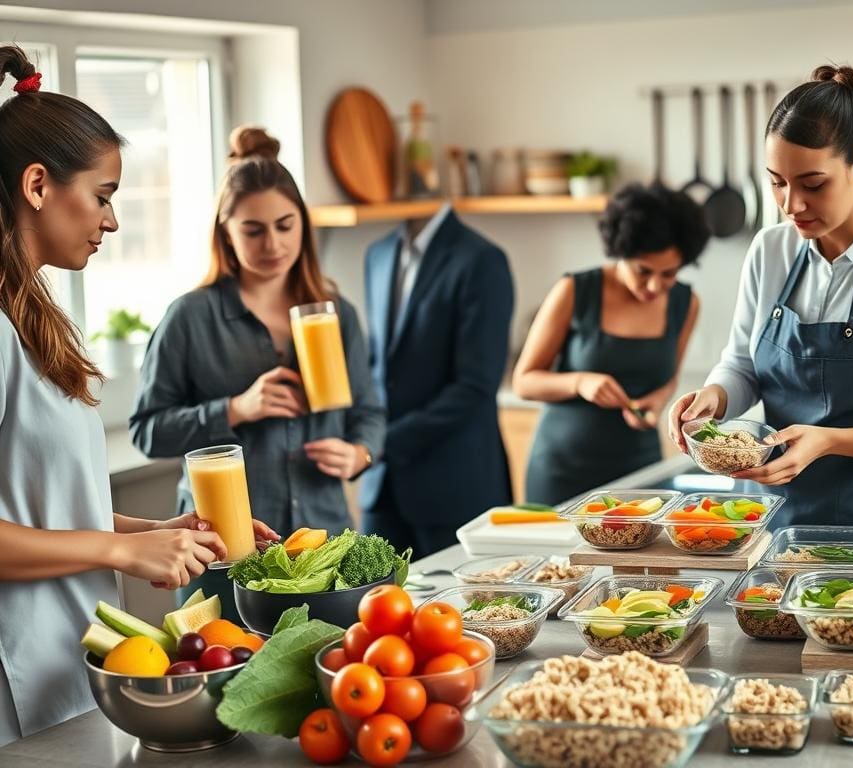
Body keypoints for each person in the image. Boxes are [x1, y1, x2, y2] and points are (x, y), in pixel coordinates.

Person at [0, 45, 244, 747]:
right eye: (103, 196)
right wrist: (118, 550)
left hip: (62, 661)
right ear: (38, 184)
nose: (110, 221)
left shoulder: (35, 312)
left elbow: (39, 500)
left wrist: (156, 533)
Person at [669, 65, 853, 581]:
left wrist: (830, 440)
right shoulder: (770, 250)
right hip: (772, 522)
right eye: (777, 182)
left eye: (813, 184)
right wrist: (715, 396)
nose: (791, 205)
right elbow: (742, 364)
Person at [130, 127, 385, 618]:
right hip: (224, 552)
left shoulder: (337, 313)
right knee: (225, 661)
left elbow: (370, 412)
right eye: (253, 230)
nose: (274, 243)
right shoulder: (189, 318)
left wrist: (359, 453)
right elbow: (147, 431)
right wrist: (234, 410)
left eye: (286, 225)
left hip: (324, 545)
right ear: (225, 233)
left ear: (303, 224)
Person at [514, 185, 708, 505]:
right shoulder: (575, 290)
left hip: (639, 470)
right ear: (621, 253)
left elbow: (669, 378)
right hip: (563, 470)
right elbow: (524, 382)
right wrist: (580, 382)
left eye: (669, 274)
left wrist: (659, 401)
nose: (654, 286)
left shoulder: (686, 304)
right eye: (643, 271)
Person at [359, 204, 514, 557]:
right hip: (380, 491)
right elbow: (379, 365)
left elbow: (475, 386)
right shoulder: (377, 253)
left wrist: (382, 442)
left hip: (455, 486)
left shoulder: (482, 260)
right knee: (369, 592)